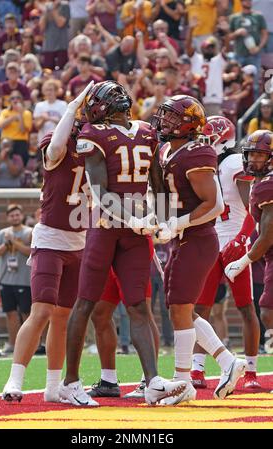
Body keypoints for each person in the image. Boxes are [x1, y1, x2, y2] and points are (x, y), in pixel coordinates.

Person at [60, 80, 187, 407]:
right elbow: (100, 192)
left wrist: (163, 220)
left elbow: (157, 181)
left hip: (136, 231)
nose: (117, 95)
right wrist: (135, 220)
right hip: (105, 227)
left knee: (138, 305)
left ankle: (153, 381)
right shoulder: (93, 134)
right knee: (86, 302)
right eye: (107, 95)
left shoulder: (146, 130)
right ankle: (69, 382)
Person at [2, 82, 93, 403]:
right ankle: (15, 380)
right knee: (40, 311)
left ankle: (53, 387)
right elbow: (54, 149)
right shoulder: (58, 144)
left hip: (80, 241)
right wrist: (70, 108)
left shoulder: (100, 149)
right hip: (51, 239)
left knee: (62, 317)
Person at [153, 95, 247, 405]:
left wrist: (176, 224)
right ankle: (226, 361)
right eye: (164, 116)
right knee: (181, 308)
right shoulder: (171, 151)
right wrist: (155, 221)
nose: (164, 122)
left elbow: (215, 204)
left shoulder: (197, 152)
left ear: (188, 124)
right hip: (185, 237)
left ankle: (183, 382)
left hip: (200, 237)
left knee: (181, 307)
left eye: (171, 118)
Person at [191, 115, 260, 390]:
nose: (203, 141)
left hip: (235, 242)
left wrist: (243, 238)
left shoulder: (232, 164)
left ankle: (252, 370)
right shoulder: (205, 165)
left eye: (207, 136)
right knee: (200, 308)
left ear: (222, 138)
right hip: (211, 242)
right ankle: (197, 369)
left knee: (245, 307)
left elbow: (253, 209)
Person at [88, 236, 159, 399]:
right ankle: (108, 381)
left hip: (132, 244)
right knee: (99, 313)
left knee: (141, 311)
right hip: (106, 244)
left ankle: (150, 381)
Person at [225, 130, 273, 360]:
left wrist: (243, 261)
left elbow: (267, 236)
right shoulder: (262, 183)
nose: (253, 160)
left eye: (260, 155)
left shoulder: (267, 186)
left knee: (268, 312)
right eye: (251, 154)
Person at [0, 204, 32, 354]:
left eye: (17, 214)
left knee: (26, 314)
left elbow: (30, 251)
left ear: (21, 216)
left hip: (24, 280)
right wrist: (6, 243)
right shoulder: (3, 233)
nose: (15, 217)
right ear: (7, 217)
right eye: (12, 215)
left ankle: (30, 344)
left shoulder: (29, 232)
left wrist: (15, 242)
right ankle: (12, 343)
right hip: (6, 280)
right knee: (10, 313)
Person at [186, 21, 226, 116]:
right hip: (195, 100)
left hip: (213, 100)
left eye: (212, 47)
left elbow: (226, 49)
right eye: (207, 47)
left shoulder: (218, 60)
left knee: (214, 126)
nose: (210, 49)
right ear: (202, 48)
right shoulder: (196, 58)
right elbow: (188, 46)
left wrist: (226, 32)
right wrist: (191, 30)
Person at [228, 0, 268, 96]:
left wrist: (259, 48)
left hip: (254, 55)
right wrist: (237, 32)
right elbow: (228, 37)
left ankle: (254, 110)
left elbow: (265, 34)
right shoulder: (234, 17)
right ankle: (237, 108)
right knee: (237, 82)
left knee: (255, 84)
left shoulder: (258, 16)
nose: (249, 2)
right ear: (241, 2)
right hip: (238, 54)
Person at [0, 91, 33, 166]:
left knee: (20, 166)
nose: (15, 100)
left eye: (18, 98)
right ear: (10, 101)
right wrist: (14, 117)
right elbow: (1, 125)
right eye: (12, 98)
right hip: (5, 142)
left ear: (21, 100)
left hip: (20, 142)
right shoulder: (4, 112)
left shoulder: (27, 113)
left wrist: (20, 114)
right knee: (3, 166)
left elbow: (23, 131)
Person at [33, 79, 67, 144]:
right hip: (43, 141)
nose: (49, 92)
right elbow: (37, 126)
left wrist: (48, 118)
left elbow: (65, 124)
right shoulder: (39, 105)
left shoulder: (63, 104)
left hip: (58, 141)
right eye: (47, 90)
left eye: (51, 90)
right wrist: (43, 120)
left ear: (56, 91)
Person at [39, 0, 71, 70]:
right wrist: (46, 11)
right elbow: (42, 27)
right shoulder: (47, 6)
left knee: (61, 70)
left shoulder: (65, 5)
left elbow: (60, 23)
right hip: (48, 46)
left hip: (61, 46)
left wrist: (53, 9)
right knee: (48, 71)